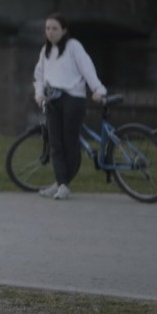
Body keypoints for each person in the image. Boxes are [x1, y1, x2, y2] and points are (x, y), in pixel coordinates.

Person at [33, 13, 106, 201]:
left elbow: (87, 69)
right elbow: (39, 75)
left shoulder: (74, 47)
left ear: (64, 30)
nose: (50, 32)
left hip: (73, 99)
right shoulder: (45, 51)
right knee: (55, 144)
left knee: (69, 143)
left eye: (54, 28)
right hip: (52, 100)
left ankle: (63, 184)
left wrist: (97, 89)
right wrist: (39, 94)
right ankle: (61, 183)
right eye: (47, 28)